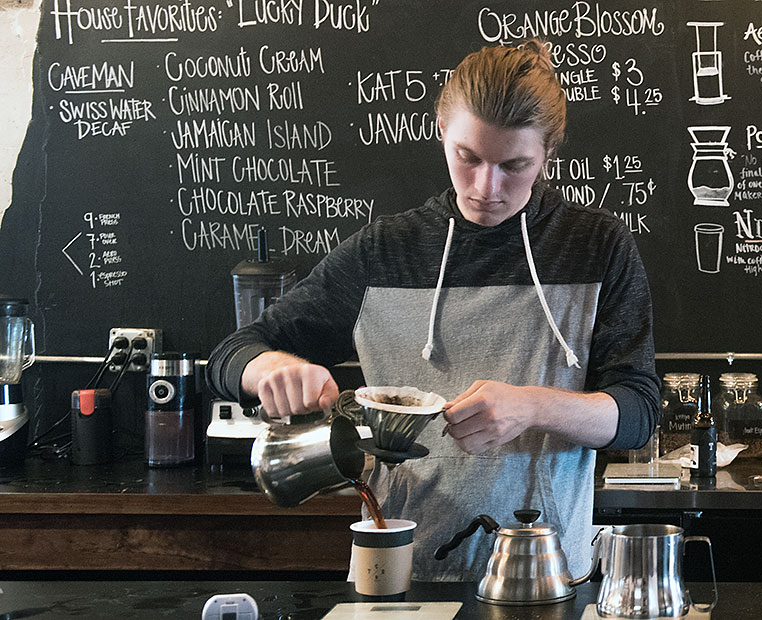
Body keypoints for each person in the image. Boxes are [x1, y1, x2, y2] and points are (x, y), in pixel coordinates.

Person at [206, 41, 660, 581]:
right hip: (400, 573)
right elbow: (230, 356)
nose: (486, 188)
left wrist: (533, 407)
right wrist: (270, 370)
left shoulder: (596, 246)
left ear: (548, 154)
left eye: (515, 165)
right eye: (467, 157)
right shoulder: (383, 252)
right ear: (441, 128)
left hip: (548, 574)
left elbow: (637, 413)